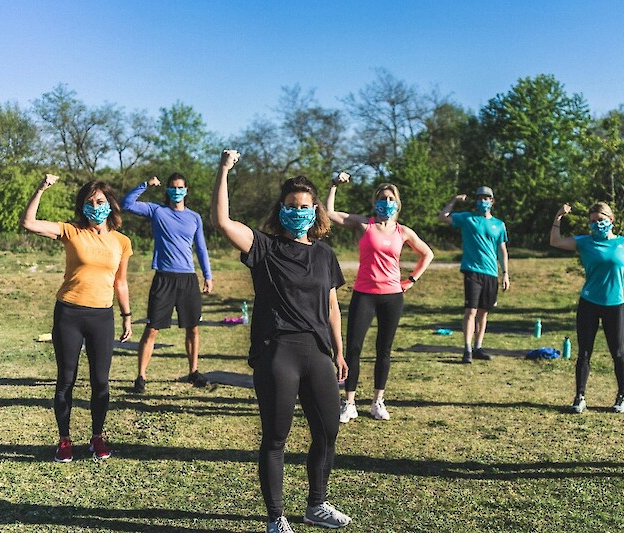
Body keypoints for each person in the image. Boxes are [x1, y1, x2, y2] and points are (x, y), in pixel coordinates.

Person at [211, 150, 352, 533]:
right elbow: (222, 222)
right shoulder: (265, 248)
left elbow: (333, 307)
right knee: (276, 437)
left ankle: (316, 505)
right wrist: (224, 170)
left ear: (316, 209)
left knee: (328, 431)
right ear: (281, 209)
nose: (297, 211)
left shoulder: (324, 254)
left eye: (304, 205)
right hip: (278, 352)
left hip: (318, 352)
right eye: (291, 205)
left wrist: (339, 351)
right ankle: (276, 517)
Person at [21, 174, 133, 462]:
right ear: (82, 206)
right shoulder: (71, 231)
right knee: (66, 380)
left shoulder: (122, 242)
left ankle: (97, 437)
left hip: (102, 317)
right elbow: (29, 223)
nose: (95, 206)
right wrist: (41, 188)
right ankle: (64, 440)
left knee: (101, 382)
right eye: (89, 202)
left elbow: (121, 282)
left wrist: (127, 316)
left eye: (100, 201)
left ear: (110, 205)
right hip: (69, 313)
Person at [326, 172, 434, 423]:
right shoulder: (365, 225)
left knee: (383, 350)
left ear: (397, 203)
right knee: (353, 348)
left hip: (392, 297)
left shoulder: (403, 231)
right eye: (382, 198)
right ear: (375, 202)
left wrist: (411, 280)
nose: (386, 202)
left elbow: (427, 254)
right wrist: (333, 185)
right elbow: (331, 213)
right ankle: (349, 402)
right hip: (364, 295)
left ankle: (377, 401)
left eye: (390, 198)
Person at [122, 174, 212, 393]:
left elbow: (200, 248)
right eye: (173, 187)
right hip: (164, 278)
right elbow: (127, 204)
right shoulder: (157, 211)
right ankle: (141, 377)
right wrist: (145, 184)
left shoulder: (194, 218)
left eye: (180, 187)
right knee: (152, 329)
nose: (177, 191)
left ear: (186, 190)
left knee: (193, 328)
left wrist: (207, 275)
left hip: (188, 278)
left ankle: (193, 372)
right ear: (168, 190)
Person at [550, 202, 624, 414]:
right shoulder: (584, 242)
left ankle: (622, 397)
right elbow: (555, 241)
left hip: (614, 305)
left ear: (611, 219)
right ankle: (579, 397)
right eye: (593, 221)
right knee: (584, 353)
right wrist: (558, 217)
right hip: (589, 303)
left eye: (601, 220)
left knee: (617, 352)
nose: (597, 224)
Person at [438, 186, 510, 363]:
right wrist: (454, 201)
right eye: (479, 198)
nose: (483, 201)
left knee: (483, 312)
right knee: (470, 310)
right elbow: (442, 218)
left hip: (491, 273)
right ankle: (467, 349)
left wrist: (505, 273)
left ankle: (478, 347)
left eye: (486, 198)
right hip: (472, 270)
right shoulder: (467, 218)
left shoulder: (499, 224)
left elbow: (502, 250)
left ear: (492, 201)